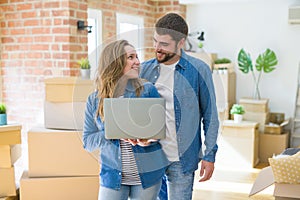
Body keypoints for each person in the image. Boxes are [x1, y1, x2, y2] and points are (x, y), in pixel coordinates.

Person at [140, 13, 220, 200]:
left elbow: (210, 116)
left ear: (181, 43)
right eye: (155, 42)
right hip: (150, 156)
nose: (157, 49)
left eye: (164, 44)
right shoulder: (144, 70)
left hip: (181, 159)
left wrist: (209, 155)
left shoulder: (199, 70)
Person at [82, 40, 169, 200]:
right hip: (112, 179)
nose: (137, 62)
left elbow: (161, 131)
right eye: (131, 57)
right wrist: (115, 131)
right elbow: (87, 142)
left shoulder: (147, 90)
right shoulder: (95, 100)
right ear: (115, 62)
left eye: (137, 56)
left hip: (147, 177)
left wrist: (149, 139)